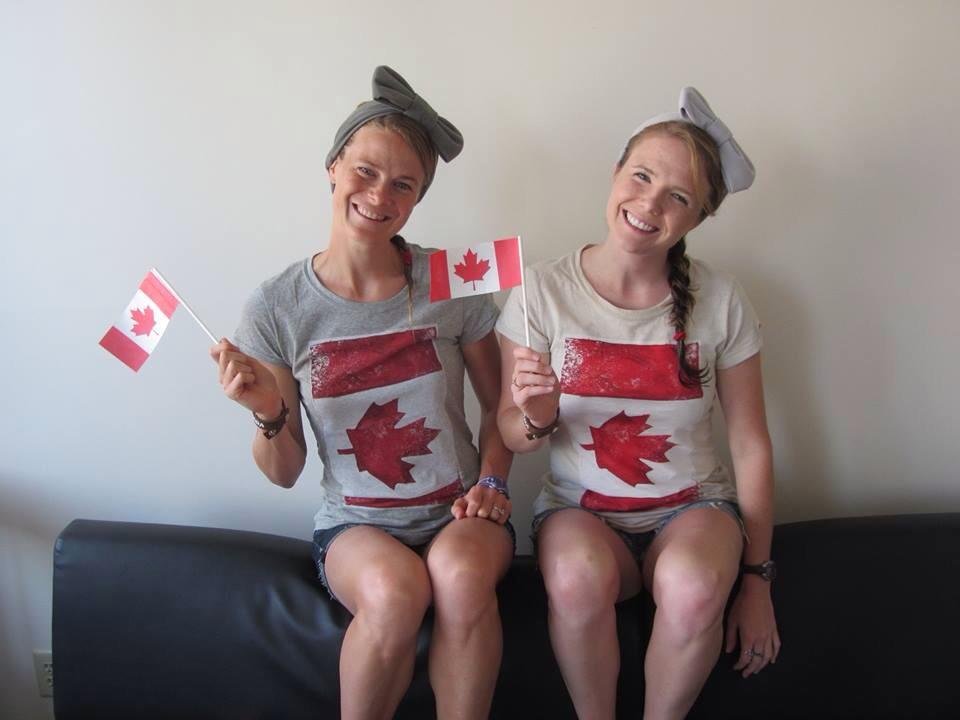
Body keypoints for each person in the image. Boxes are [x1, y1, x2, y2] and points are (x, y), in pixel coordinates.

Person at [211, 66, 514, 720]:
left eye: (403, 184)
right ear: (334, 167)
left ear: (418, 198)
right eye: (366, 171)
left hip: (461, 515)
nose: (379, 195)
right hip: (354, 527)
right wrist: (269, 414)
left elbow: (503, 408)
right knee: (395, 590)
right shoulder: (277, 308)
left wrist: (492, 482)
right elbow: (284, 472)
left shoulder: (449, 280)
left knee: (462, 578)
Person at [496, 87, 780, 720]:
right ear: (616, 173)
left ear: (697, 218)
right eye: (642, 176)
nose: (649, 204)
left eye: (678, 196)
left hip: (694, 511)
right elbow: (513, 433)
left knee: (693, 585)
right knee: (575, 579)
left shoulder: (722, 300)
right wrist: (537, 414)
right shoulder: (540, 291)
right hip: (580, 512)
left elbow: (750, 444)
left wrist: (757, 580)